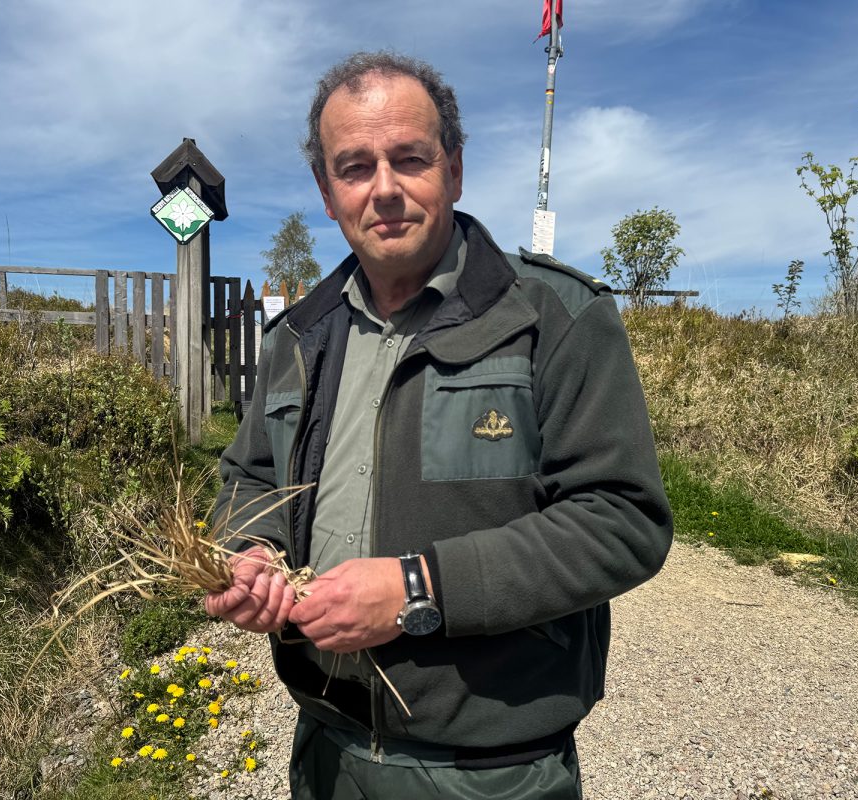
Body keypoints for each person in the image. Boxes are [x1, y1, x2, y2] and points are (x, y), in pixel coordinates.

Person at [205, 50, 672, 800]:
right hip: (325, 752)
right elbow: (249, 477)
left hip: (491, 771)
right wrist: (248, 550)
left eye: (410, 159)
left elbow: (621, 522)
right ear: (327, 194)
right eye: (355, 167)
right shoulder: (296, 336)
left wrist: (416, 588)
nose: (384, 189)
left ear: (453, 170)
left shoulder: (554, 317)